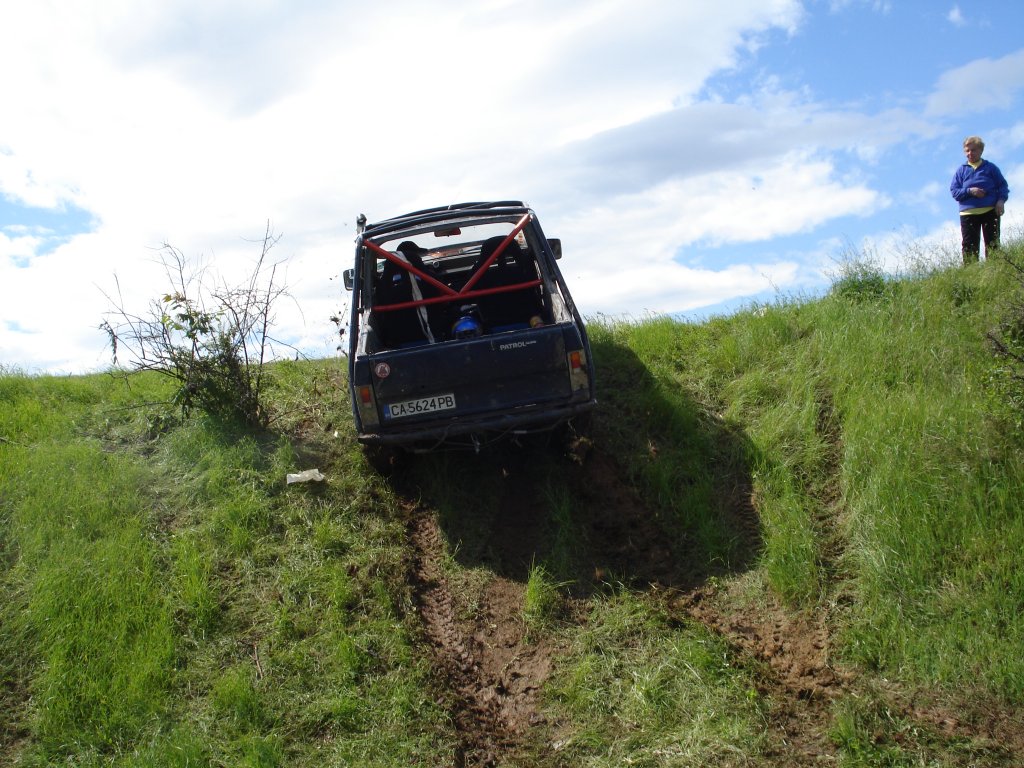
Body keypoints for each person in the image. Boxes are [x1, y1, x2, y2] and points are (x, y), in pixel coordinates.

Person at [950, 136, 1009, 264]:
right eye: (967, 150)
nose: (970, 153)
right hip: (968, 214)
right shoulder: (961, 171)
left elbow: (1003, 186)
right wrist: (970, 191)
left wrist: (1001, 201)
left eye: (973, 150)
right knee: (969, 246)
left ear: (981, 151)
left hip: (990, 211)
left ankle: (994, 270)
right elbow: (954, 192)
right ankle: (971, 272)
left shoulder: (990, 168)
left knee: (993, 245)